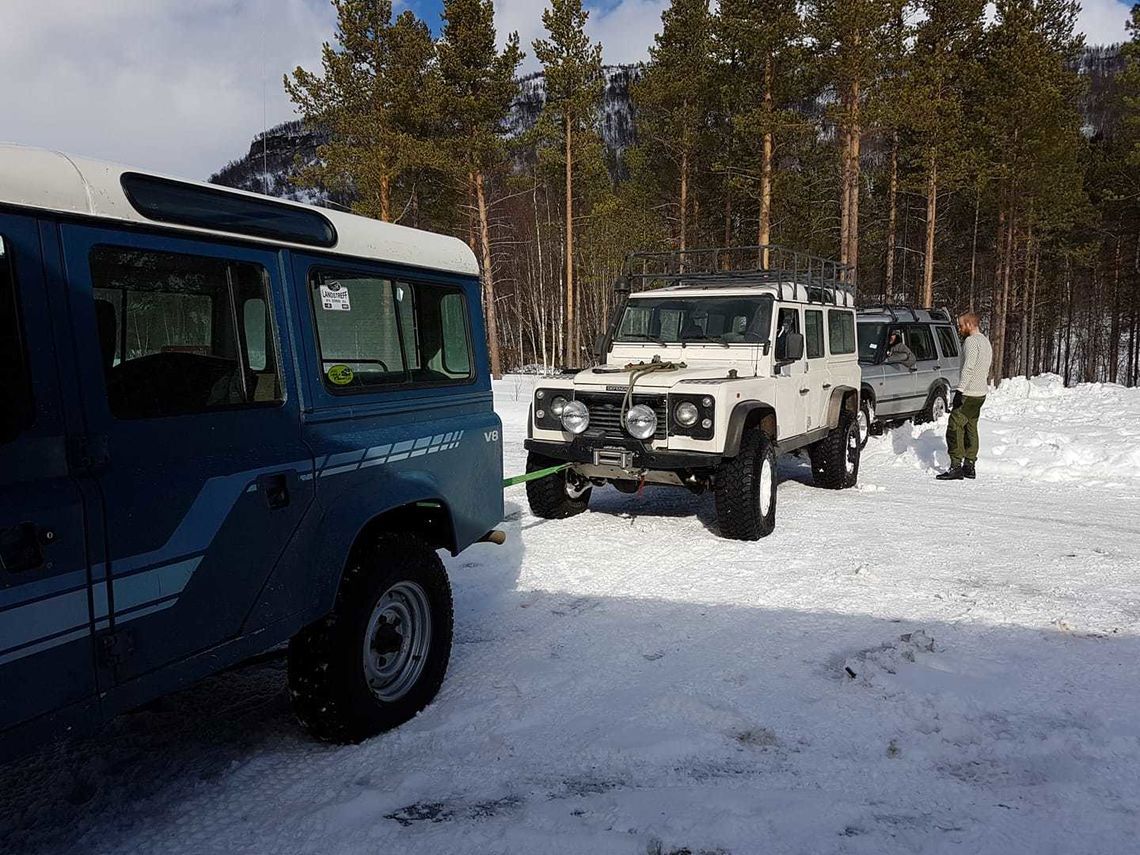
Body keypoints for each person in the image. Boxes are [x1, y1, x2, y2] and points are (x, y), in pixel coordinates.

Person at [937, 312, 993, 481]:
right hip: (980, 393)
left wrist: (960, 391)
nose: (959, 329)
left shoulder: (971, 341)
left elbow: (968, 367)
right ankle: (969, 466)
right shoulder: (985, 341)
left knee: (954, 427)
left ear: (969, 324)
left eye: (961, 326)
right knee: (970, 427)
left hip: (968, 393)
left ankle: (956, 466)